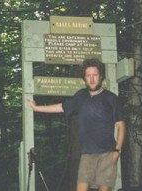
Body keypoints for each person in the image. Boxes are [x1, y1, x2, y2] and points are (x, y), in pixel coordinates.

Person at [27, 58, 126, 191]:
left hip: (107, 153)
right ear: (84, 78)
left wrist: (117, 151)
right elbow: (61, 107)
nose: (92, 79)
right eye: (88, 76)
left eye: (95, 75)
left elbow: (121, 126)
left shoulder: (111, 98)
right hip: (87, 154)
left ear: (100, 77)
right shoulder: (80, 96)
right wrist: (37, 108)